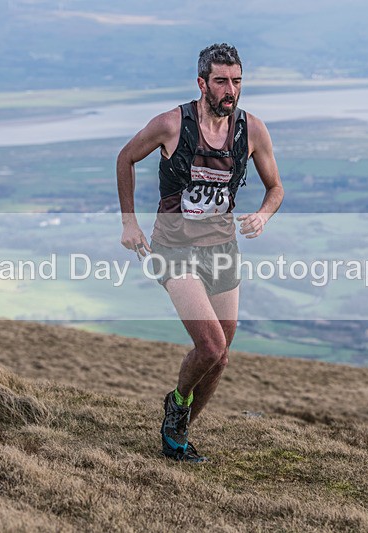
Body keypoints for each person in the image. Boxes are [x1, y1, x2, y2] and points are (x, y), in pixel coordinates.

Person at [117, 43, 284, 462]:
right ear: (202, 83)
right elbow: (125, 158)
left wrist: (263, 215)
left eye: (237, 81)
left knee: (221, 357)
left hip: (222, 250)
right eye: (221, 81)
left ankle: (178, 432)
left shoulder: (252, 130)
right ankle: (177, 408)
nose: (230, 90)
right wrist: (129, 222)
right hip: (174, 249)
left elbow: (275, 188)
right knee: (210, 347)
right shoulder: (172, 124)